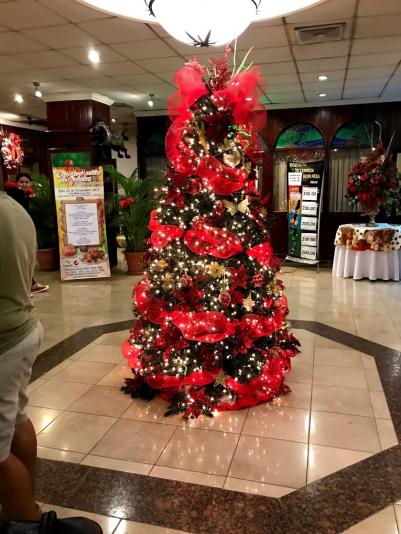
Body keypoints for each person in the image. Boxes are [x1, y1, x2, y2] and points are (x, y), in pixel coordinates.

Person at [0, 185, 102, 534]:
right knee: (16, 420)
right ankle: (23, 506)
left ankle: (26, 521)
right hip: (22, 329)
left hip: (4, 340)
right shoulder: (14, 209)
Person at [11, 173, 49, 295]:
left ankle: (30, 285)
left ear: (30, 183)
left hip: (23, 230)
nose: (24, 184)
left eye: (26, 182)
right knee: (20, 259)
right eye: (21, 182)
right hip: (16, 231)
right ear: (16, 183)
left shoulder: (27, 196)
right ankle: (27, 287)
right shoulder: (15, 195)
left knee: (25, 259)